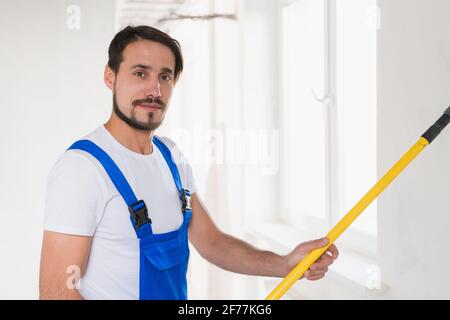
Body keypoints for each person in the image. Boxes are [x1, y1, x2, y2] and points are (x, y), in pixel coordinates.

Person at [39, 25, 339, 300]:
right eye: (140, 73)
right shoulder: (82, 169)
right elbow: (55, 292)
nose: (154, 91)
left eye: (165, 76)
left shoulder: (171, 157)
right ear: (110, 76)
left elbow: (212, 243)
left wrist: (286, 264)